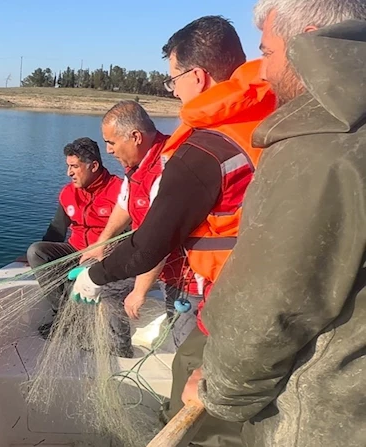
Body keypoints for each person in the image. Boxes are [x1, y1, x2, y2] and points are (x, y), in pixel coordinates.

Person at [69, 16, 277, 446]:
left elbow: (149, 246)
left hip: (232, 296)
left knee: (193, 386)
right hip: (274, 284)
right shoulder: (275, 121)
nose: (173, 89)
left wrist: (97, 275)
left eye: (173, 80)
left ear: (197, 76)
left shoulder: (202, 151)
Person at [181, 6, 366, 446]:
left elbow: (270, 307)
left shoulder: (319, 146)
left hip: (324, 418)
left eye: (267, 52)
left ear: (311, 39)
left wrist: (217, 388)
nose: (262, 72)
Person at [86, 100, 203, 350]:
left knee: (185, 348)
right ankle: (118, 352)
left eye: (112, 142)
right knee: (107, 288)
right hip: (148, 258)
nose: (107, 150)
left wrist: (140, 291)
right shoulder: (136, 166)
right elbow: (124, 204)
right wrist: (100, 244)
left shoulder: (169, 167)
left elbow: (160, 238)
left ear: (135, 137)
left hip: (184, 274)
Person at [23, 137, 135, 356]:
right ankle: (66, 315)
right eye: (68, 167)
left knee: (92, 267)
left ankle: (103, 335)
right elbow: (57, 229)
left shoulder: (120, 191)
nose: (69, 173)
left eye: (74, 166)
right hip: (75, 250)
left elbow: (133, 234)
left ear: (93, 166)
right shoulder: (68, 193)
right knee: (36, 252)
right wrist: (28, 257)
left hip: (105, 256)